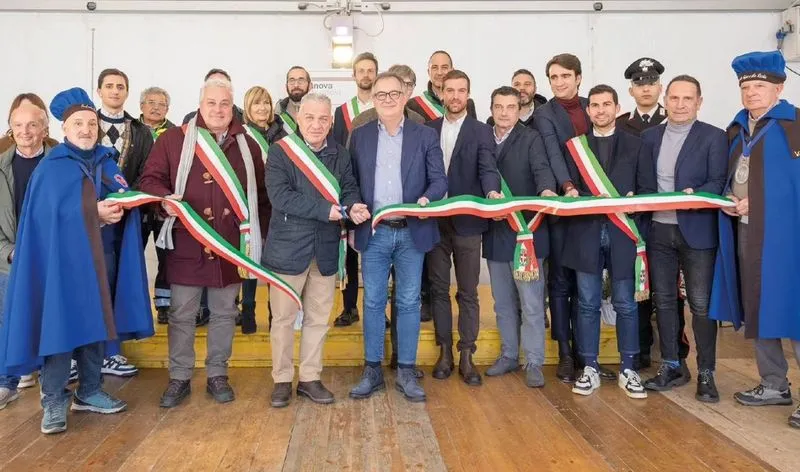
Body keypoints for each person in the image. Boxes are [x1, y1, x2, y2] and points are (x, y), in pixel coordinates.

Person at [0, 87, 153, 433]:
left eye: (91, 124)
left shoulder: (106, 161)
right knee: (60, 329)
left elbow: (122, 195)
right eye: (78, 124)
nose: (86, 129)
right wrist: (93, 212)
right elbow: (45, 218)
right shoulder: (52, 167)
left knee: (96, 327)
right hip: (62, 267)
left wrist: (136, 202)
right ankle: (53, 400)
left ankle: (90, 390)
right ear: (65, 129)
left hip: (102, 260)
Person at [139, 77, 269, 408]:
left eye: (224, 103)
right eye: (211, 103)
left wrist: (260, 238)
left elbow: (262, 196)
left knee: (225, 312)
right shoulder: (173, 139)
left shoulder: (248, 144)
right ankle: (179, 377)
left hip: (230, 245)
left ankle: (217, 374)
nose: (218, 109)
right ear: (200, 105)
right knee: (181, 313)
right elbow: (150, 180)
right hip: (187, 242)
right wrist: (163, 199)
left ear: (232, 107)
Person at [711, 51, 800, 428]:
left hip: (788, 237)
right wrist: (727, 198)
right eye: (745, 87)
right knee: (758, 305)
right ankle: (774, 383)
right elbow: (730, 175)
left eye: (760, 86)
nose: (751, 93)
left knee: (793, 308)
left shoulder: (796, 126)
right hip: (746, 230)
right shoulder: (736, 130)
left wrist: (760, 202)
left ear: (779, 87)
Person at [348, 72, 447, 402]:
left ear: (405, 97)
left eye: (394, 94)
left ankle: (406, 370)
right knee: (373, 301)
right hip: (374, 233)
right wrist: (353, 209)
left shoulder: (425, 135)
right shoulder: (359, 136)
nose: (388, 99)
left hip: (411, 232)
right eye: (381, 94)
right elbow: (349, 182)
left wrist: (428, 199)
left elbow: (439, 180)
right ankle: (372, 370)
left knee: (408, 301)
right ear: (373, 99)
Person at [264, 93, 367, 408]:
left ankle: (310, 378)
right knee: (283, 319)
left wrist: (353, 205)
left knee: (319, 318)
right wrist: (327, 210)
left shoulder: (340, 153)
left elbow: (349, 188)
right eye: (310, 117)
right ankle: (282, 380)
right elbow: (281, 197)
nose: (316, 124)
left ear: (331, 122)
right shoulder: (280, 151)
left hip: (325, 248)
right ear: (298, 118)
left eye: (323, 118)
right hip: (287, 250)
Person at [562, 85, 655, 399]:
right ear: (588, 111)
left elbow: (648, 191)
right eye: (595, 105)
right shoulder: (575, 147)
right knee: (587, 303)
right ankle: (589, 367)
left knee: (626, 304)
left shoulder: (637, 145)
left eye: (606, 104)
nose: (600, 110)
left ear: (617, 108)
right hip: (586, 233)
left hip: (623, 233)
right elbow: (569, 188)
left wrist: (634, 203)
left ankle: (629, 368)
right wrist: (571, 192)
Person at [641, 75, 727, 403]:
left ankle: (706, 372)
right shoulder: (649, 137)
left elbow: (718, 181)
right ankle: (672, 365)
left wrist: (695, 194)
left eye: (687, 98)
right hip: (658, 230)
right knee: (663, 299)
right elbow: (644, 182)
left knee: (701, 304)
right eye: (674, 98)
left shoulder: (714, 137)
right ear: (665, 100)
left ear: (699, 102)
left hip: (697, 229)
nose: (679, 105)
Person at [427, 70, 501, 385]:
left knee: (468, 292)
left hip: (469, 222)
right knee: (438, 290)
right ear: (441, 93)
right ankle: (444, 351)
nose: (455, 96)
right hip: (434, 223)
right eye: (450, 90)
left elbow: (488, 169)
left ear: (468, 94)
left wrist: (492, 192)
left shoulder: (482, 131)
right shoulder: (428, 129)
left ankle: (467, 354)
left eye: (461, 90)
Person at [534, 53, 604, 383]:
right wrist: (567, 186)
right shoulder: (544, 113)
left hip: (594, 204)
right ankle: (565, 352)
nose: (559, 82)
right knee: (560, 282)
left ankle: (586, 355)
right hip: (564, 205)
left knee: (586, 282)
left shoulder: (593, 106)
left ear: (578, 77)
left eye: (565, 76)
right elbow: (552, 152)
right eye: (553, 77)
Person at [615, 58, 689, 370]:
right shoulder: (620, 125)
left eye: (651, 83)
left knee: (672, 291)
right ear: (630, 90)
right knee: (639, 285)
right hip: (633, 220)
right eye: (639, 83)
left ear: (661, 88)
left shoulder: (676, 120)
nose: (645, 88)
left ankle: (677, 353)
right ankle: (642, 349)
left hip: (670, 219)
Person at [483, 86, 556, 388]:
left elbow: (542, 170)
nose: (504, 113)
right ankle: (509, 354)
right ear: (491, 109)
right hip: (496, 233)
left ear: (519, 109)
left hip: (527, 233)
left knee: (532, 303)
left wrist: (546, 190)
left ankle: (534, 361)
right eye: (498, 107)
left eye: (510, 107)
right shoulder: (483, 138)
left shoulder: (531, 138)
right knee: (502, 302)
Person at [96, 67, 154, 377]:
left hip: (127, 220)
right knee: (88, 284)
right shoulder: (86, 123)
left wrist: (128, 199)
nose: (115, 91)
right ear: (99, 91)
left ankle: (112, 351)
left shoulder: (140, 131)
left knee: (119, 283)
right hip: (89, 218)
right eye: (109, 86)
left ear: (127, 92)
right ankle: (80, 353)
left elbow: (148, 171)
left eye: (120, 86)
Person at [0, 94, 57, 408]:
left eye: (32, 125)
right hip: (11, 260)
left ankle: (52, 387)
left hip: (52, 259)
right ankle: (6, 382)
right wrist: (9, 252)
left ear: (44, 128)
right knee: (8, 322)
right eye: (18, 125)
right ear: (10, 128)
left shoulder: (61, 163)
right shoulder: (1, 166)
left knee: (51, 323)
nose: (25, 131)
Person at [331, 52, 378, 328]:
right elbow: (338, 150)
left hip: (377, 190)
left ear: (376, 74)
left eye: (370, 70)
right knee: (349, 249)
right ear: (354, 75)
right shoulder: (342, 112)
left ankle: (378, 309)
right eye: (361, 70)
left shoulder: (384, 107)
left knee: (377, 251)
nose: (366, 75)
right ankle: (349, 307)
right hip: (350, 189)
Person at [240, 85, 285, 334]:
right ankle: (247, 310)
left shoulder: (282, 133)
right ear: (248, 107)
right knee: (250, 257)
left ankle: (273, 313)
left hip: (276, 205)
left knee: (273, 260)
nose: (262, 107)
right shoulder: (242, 135)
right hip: (252, 204)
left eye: (266, 103)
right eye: (257, 103)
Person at [139, 86, 176, 325]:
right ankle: (134, 307)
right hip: (137, 205)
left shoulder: (175, 133)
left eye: (161, 104)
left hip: (164, 205)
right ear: (141, 105)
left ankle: (164, 304)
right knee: (133, 256)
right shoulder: (132, 130)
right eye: (151, 102)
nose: (156, 108)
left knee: (167, 257)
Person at [275, 66, 312, 134]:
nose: (296, 85)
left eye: (301, 80)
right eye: (292, 81)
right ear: (286, 86)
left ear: (310, 86)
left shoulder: (319, 108)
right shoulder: (279, 109)